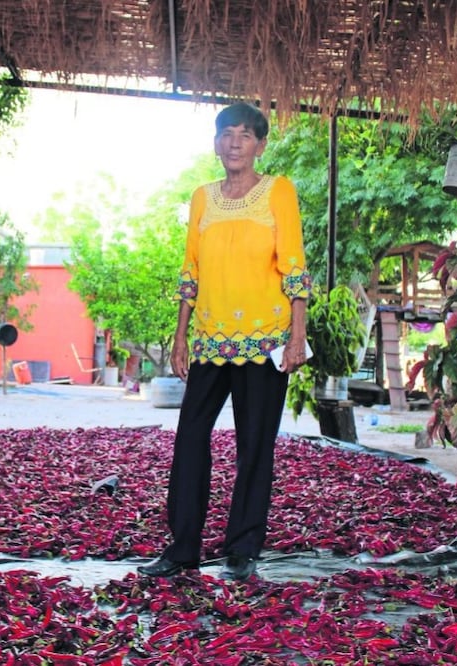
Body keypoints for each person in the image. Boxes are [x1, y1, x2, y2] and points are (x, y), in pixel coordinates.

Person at [138, 102, 312, 581]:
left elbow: (293, 264)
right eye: (226, 134)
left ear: (260, 144)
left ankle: (243, 548)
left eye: (245, 135)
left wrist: (297, 336)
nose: (235, 142)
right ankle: (182, 549)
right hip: (210, 340)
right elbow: (190, 270)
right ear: (216, 143)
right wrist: (180, 336)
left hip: (266, 340)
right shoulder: (202, 198)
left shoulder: (279, 191)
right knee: (190, 438)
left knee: (255, 445)